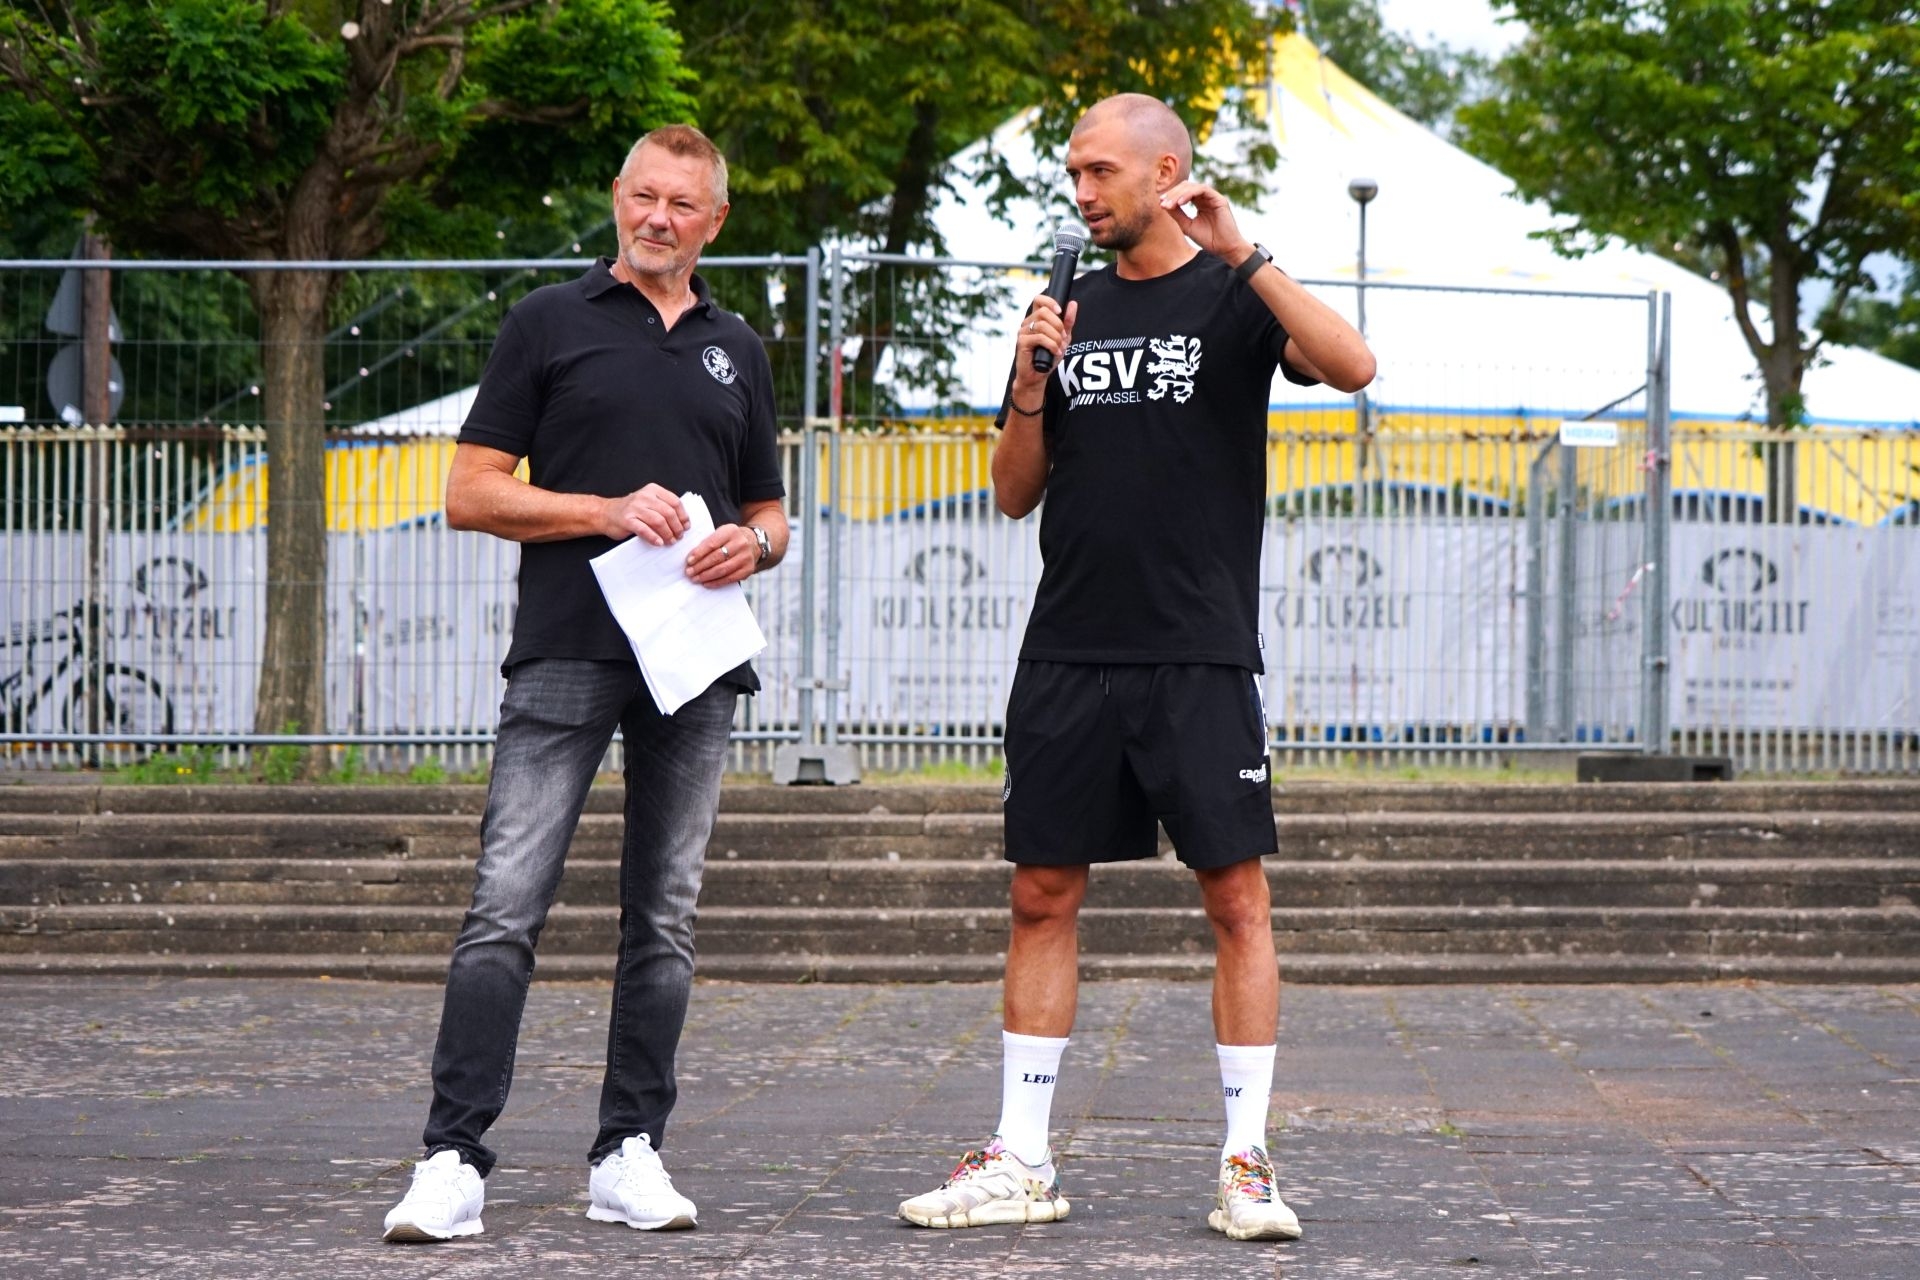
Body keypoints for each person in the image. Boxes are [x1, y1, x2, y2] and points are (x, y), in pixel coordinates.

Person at [896, 94, 1375, 1243]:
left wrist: (1245, 251)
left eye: (1100, 171)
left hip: (1197, 649)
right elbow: (1013, 491)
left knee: (1236, 898)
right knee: (1040, 893)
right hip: (1069, 646)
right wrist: (1029, 378)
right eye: (1073, 173)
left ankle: (1246, 1162)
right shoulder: (1069, 304)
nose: (1081, 192)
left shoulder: (1233, 291)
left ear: (1166, 173)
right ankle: (1020, 1155)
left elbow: (1353, 365)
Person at [381, 124, 788, 1244]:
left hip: (695, 660)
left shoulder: (738, 348)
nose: (658, 218)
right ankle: (452, 1158)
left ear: (715, 221)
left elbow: (771, 511)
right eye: (643, 195)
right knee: (505, 905)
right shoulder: (547, 321)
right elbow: (470, 491)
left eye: (682, 204)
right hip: (566, 646)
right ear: (617, 195)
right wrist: (602, 511)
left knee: (666, 915)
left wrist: (754, 546)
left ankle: (627, 1152)